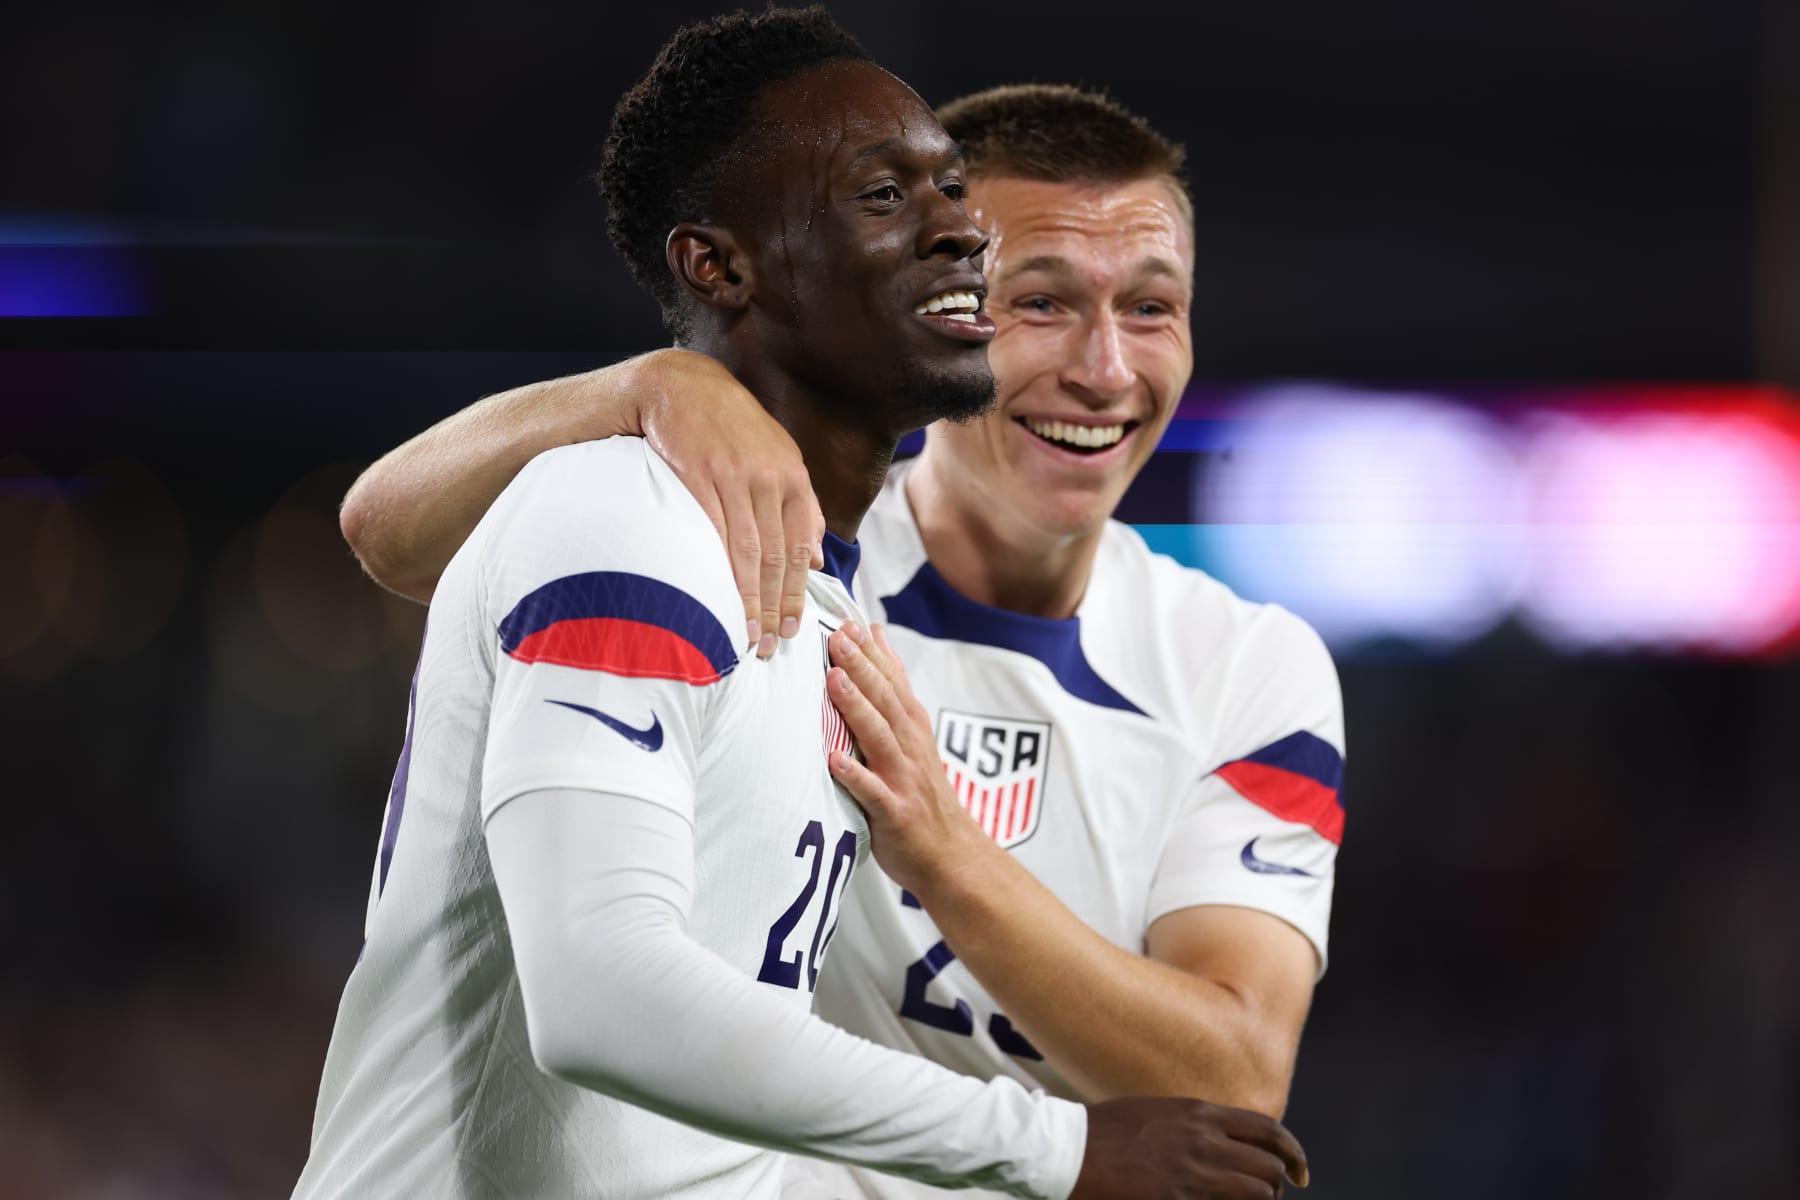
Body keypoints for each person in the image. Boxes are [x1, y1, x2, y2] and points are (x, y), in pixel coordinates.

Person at [297, 9, 1309, 1200]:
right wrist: (1062, 1148)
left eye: (951, 192)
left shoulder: (820, 590)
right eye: (883, 196)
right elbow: (601, 995)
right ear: (720, 266)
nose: (960, 232)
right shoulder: (633, 515)